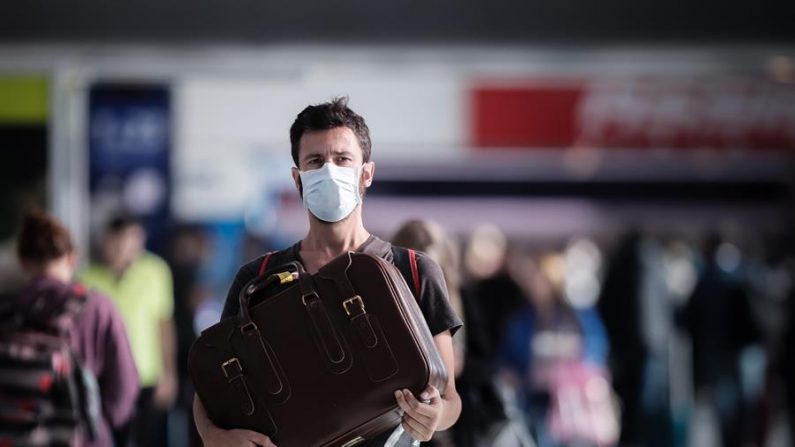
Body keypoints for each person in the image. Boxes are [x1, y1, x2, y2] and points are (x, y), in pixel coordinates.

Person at [193, 97, 463, 447]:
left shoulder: (414, 271)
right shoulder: (258, 279)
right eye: (315, 162)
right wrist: (215, 438)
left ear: (366, 173)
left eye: (342, 159)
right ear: (297, 178)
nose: (329, 172)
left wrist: (435, 417)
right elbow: (214, 385)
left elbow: (450, 397)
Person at [14, 209, 140, 447]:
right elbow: (125, 386)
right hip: (82, 437)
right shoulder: (97, 307)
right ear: (72, 258)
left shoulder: (8, 309)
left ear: (22, 260)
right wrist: (99, 423)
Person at [80, 214, 179, 446]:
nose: (123, 249)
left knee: (151, 438)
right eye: (117, 242)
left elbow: (164, 324)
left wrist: (169, 372)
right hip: (106, 377)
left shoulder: (155, 271)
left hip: (147, 375)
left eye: (130, 241)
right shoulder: (88, 279)